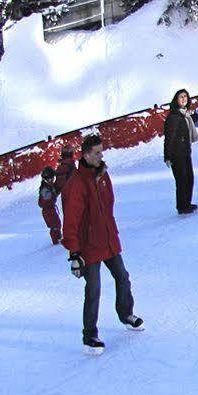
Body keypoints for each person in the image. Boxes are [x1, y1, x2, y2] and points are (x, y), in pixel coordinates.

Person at [61, 132, 143, 351]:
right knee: (94, 289)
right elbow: (71, 219)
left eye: (102, 151)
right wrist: (74, 252)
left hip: (108, 238)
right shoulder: (76, 184)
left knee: (123, 277)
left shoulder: (103, 175)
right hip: (89, 246)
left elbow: (108, 206)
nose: (101, 156)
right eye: (97, 153)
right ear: (86, 155)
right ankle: (90, 335)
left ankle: (126, 314)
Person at [163, 88, 198, 214]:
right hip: (177, 153)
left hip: (185, 151)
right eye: (181, 97)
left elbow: (186, 127)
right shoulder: (174, 117)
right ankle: (182, 206)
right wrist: (167, 156)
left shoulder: (184, 115)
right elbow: (169, 137)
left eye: (185, 97)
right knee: (182, 179)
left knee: (189, 178)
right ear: (176, 100)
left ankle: (186, 203)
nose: (183, 99)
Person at [36, 164, 64, 244]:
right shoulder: (45, 189)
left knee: (57, 223)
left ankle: (58, 236)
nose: (52, 180)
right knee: (54, 224)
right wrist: (54, 192)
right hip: (48, 210)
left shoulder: (48, 186)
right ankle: (56, 240)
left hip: (51, 209)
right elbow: (48, 198)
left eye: (53, 178)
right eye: (51, 179)